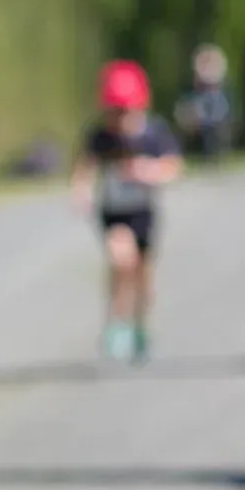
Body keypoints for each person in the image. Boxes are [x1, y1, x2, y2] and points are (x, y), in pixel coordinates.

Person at [70, 60, 183, 363]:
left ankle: (140, 326)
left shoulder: (153, 133)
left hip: (142, 212)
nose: (120, 119)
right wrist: (81, 192)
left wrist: (150, 171)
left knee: (143, 275)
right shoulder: (101, 137)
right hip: (113, 212)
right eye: (115, 112)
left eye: (126, 111)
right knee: (121, 259)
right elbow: (85, 167)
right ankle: (116, 323)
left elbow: (174, 166)